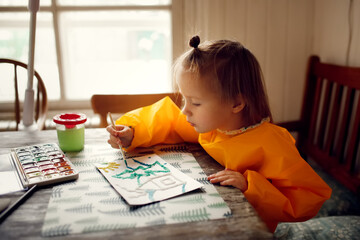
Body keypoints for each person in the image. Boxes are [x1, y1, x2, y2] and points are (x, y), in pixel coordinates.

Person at [107, 36, 332, 232]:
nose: (185, 109)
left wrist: (250, 186)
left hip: (250, 230)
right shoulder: (216, 123)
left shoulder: (272, 143)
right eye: (185, 99)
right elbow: (168, 118)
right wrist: (132, 132)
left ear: (236, 103)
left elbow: (309, 197)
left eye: (195, 102)